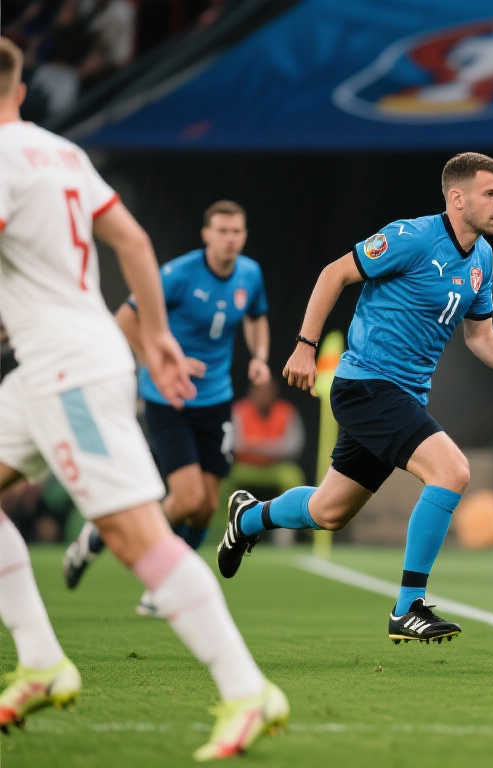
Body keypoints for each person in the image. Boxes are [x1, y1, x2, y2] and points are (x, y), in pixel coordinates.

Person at [0, 37, 286, 759]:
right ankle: (40, 661)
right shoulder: (61, 153)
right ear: (22, 90)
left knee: (138, 536)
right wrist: (155, 334)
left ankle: (247, 689)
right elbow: (129, 239)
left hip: (67, 374)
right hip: (51, 364)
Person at [216, 152, 493, 644]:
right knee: (452, 471)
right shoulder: (411, 237)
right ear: (457, 198)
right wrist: (305, 346)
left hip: (403, 396)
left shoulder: (482, 257)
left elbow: (480, 336)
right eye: (491, 193)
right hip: (366, 386)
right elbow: (334, 274)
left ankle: (248, 517)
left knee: (328, 512)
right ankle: (408, 607)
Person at [63, 199, 271, 616]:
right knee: (187, 498)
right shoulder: (178, 274)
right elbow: (126, 318)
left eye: (236, 232)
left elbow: (255, 316)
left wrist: (259, 356)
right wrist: (156, 364)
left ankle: (163, 586)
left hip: (216, 400)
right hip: (168, 398)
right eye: (222, 231)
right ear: (206, 234)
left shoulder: (250, 274)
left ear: (244, 235)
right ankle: (111, 540)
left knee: (206, 508)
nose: (230, 239)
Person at [219, 377, 306, 512]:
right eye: (259, 390)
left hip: (275, 468)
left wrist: (256, 446)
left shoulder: (287, 411)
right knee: (223, 478)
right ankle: (225, 523)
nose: (264, 395)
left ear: (275, 392)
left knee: (293, 477)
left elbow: (293, 447)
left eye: (268, 391)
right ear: (251, 392)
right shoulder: (240, 410)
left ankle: (287, 523)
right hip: (245, 467)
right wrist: (272, 447)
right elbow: (234, 444)